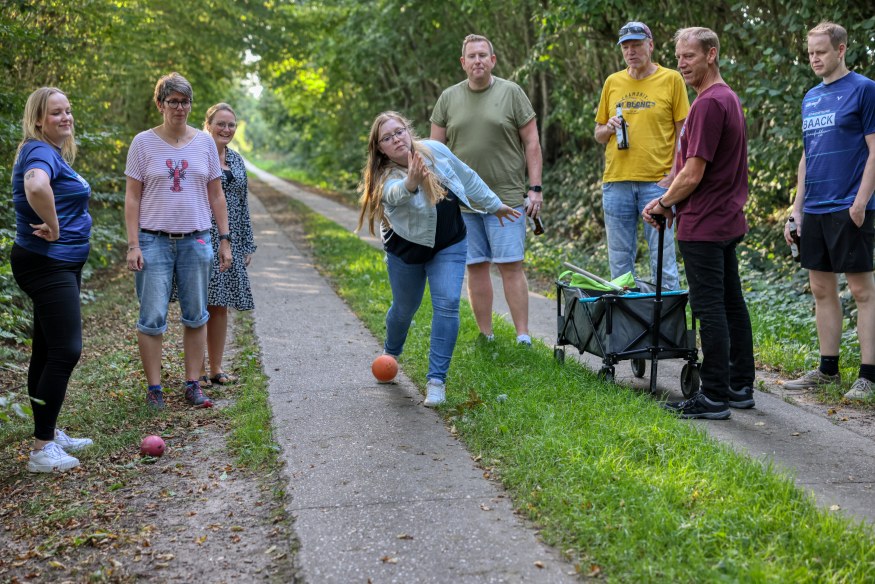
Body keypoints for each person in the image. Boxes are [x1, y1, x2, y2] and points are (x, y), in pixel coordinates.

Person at [358, 111, 520, 406]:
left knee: (446, 304)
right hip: (406, 252)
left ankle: (436, 381)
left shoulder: (436, 151)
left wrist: (494, 205)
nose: (396, 139)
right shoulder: (385, 177)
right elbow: (394, 195)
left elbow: (467, 177)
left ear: (408, 132)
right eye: (387, 138)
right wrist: (411, 182)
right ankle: (391, 352)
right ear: (380, 148)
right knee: (405, 308)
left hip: (449, 243)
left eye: (399, 132)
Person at [643, 27, 755, 420]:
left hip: (706, 223)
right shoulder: (729, 98)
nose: (681, 63)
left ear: (711, 54)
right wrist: (670, 206)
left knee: (711, 310)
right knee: (731, 304)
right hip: (724, 219)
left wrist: (661, 203)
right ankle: (740, 387)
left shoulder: (709, 104)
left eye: (689, 56)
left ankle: (713, 397)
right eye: (678, 56)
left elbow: (692, 174)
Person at [124, 72, 232, 410]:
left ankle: (192, 384)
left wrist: (225, 239)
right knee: (152, 315)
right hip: (153, 240)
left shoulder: (204, 143)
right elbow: (132, 197)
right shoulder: (142, 143)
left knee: (196, 315)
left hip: (196, 240)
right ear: (160, 104)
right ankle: (155, 389)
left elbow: (216, 195)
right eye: (173, 102)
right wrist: (133, 244)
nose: (180, 108)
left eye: (185, 102)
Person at [430, 34, 542, 345]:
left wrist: (535, 189)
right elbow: (433, 151)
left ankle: (523, 336)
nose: (478, 60)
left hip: (505, 199)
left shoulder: (512, 93)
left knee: (510, 265)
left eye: (483, 55)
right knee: (475, 267)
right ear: (462, 63)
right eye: (472, 56)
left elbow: (532, 142)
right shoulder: (448, 99)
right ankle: (486, 335)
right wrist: (437, 196)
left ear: (493, 60)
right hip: (462, 202)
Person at [783, 22, 875, 400]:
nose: (815, 59)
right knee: (822, 289)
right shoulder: (810, 97)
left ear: (841, 50)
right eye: (810, 53)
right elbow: (808, 155)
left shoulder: (865, 90)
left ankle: (869, 377)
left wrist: (859, 203)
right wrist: (796, 208)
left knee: (862, 291)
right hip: (817, 208)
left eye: (821, 51)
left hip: (850, 206)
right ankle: (828, 370)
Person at [11, 87, 94, 472]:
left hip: (56, 263)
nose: (66, 118)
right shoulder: (39, 151)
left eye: (68, 110)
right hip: (48, 263)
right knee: (66, 350)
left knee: (46, 350)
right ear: (39, 119)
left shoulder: (49, 151)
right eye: (56, 113)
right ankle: (42, 449)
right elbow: (36, 185)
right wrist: (56, 228)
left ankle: (48, 431)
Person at [594, 21, 688, 290]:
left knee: (663, 262)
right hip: (616, 183)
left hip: (657, 185)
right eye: (626, 46)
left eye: (636, 44)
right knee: (620, 267)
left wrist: (674, 175)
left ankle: (668, 329)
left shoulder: (671, 79)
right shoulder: (613, 82)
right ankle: (625, 329)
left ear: (651, 45)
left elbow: (684, 133)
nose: (631, 51)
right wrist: (608, 128)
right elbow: (598, 133)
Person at [197, 103, 257, 388]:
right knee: (198, 305)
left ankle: (216, 369)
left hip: (227, 241)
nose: (226, 129)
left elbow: (243, 205)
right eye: (220, 123)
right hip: (198, 236)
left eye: (231, 125)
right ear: (207, 125)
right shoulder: (195, 155)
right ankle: (194, 372)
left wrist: (244, 244)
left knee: (220, 305)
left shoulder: (236, 161)